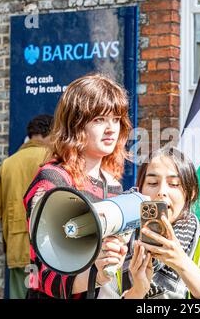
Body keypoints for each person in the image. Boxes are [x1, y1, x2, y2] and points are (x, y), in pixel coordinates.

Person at [23, 73, 132, 299]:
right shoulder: (52, 179)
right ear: (75, 124)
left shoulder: (113, 183)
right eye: (99, 119)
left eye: (116, 119)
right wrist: (98, 275)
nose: (111, 128)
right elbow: (42, 275)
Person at [119, 147, 200, 299]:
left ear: (190, 193)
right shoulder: (121, 246)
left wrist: (182, 263)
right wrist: (137, 292)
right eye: (152, 183)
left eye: (173, 184)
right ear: (140, 191)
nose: (161, 191)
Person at [0, 114, 54, 299]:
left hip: (18, 246)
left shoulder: (8, 164)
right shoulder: (53, 159)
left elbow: (0, 211)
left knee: (20, 293)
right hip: (49, 247)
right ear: (49, 133)